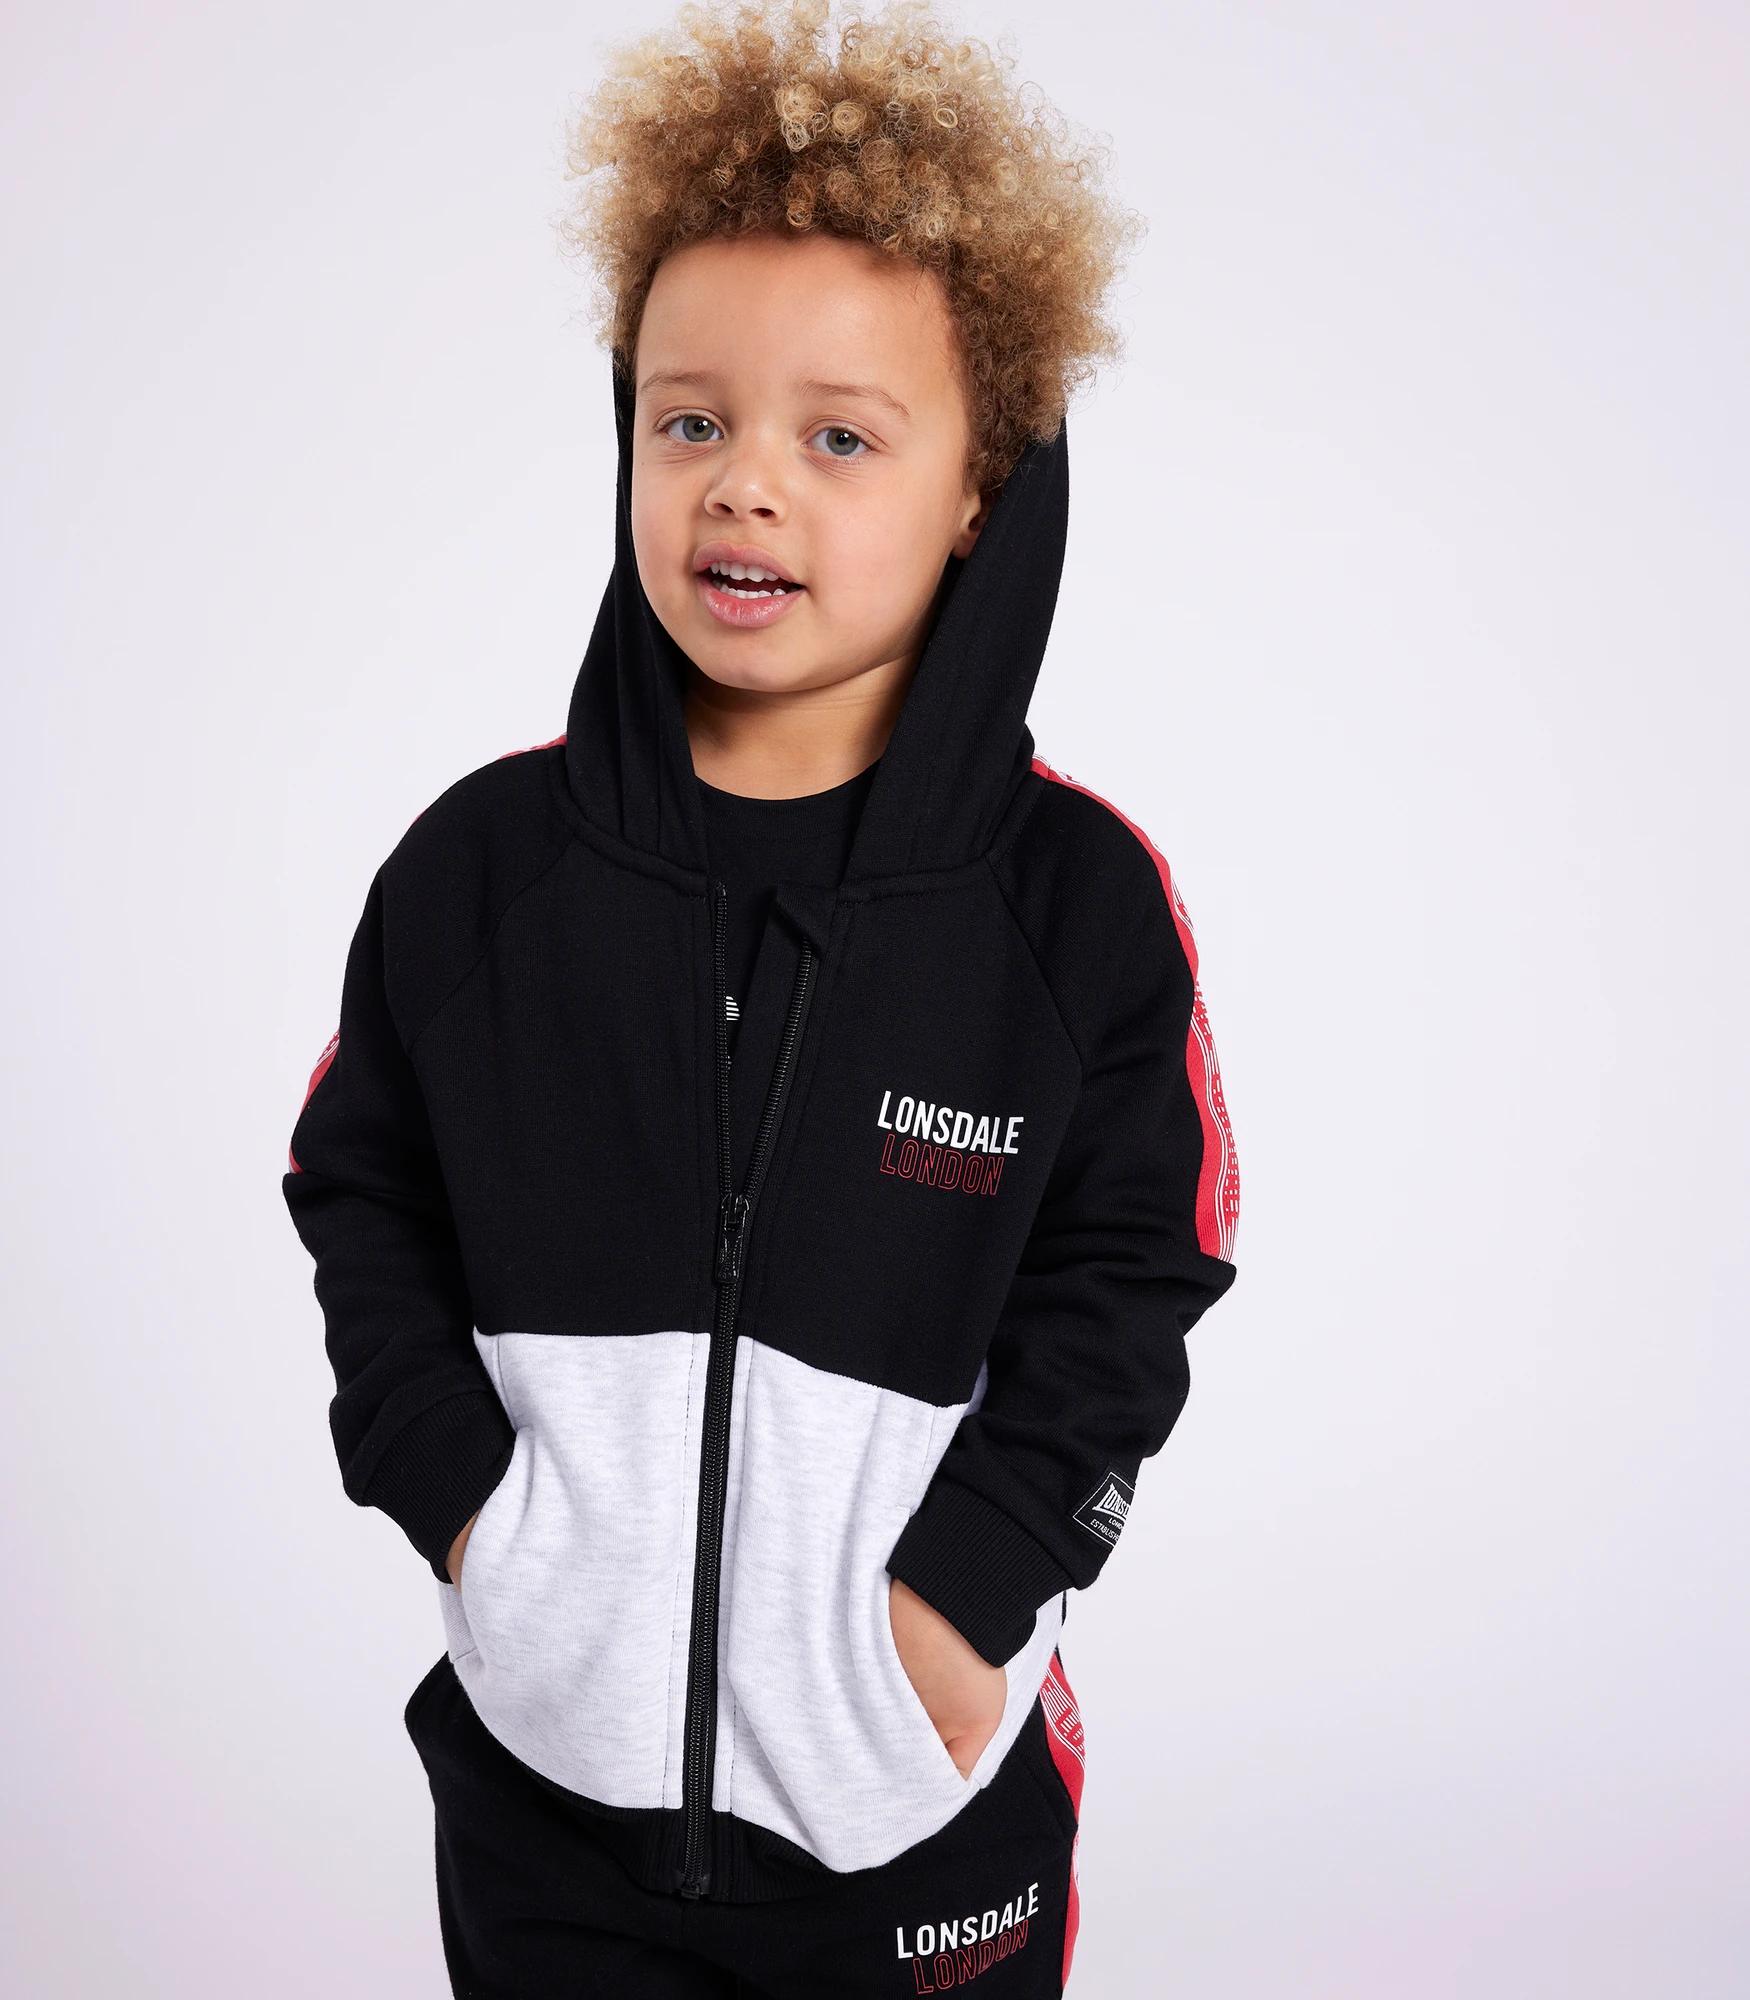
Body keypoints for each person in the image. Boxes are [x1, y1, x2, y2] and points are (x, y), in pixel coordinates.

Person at [281, 2, 1241, 1991]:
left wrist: (972, 1594)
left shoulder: (1069, 913)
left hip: (916, 1813)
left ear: (979, 487)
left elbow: (1141, 1261)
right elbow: (357, 1184)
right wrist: (465, 1510)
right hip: (544, 1806)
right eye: (688, 420)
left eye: (838, 437)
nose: (743, 488)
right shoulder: (481, 877)